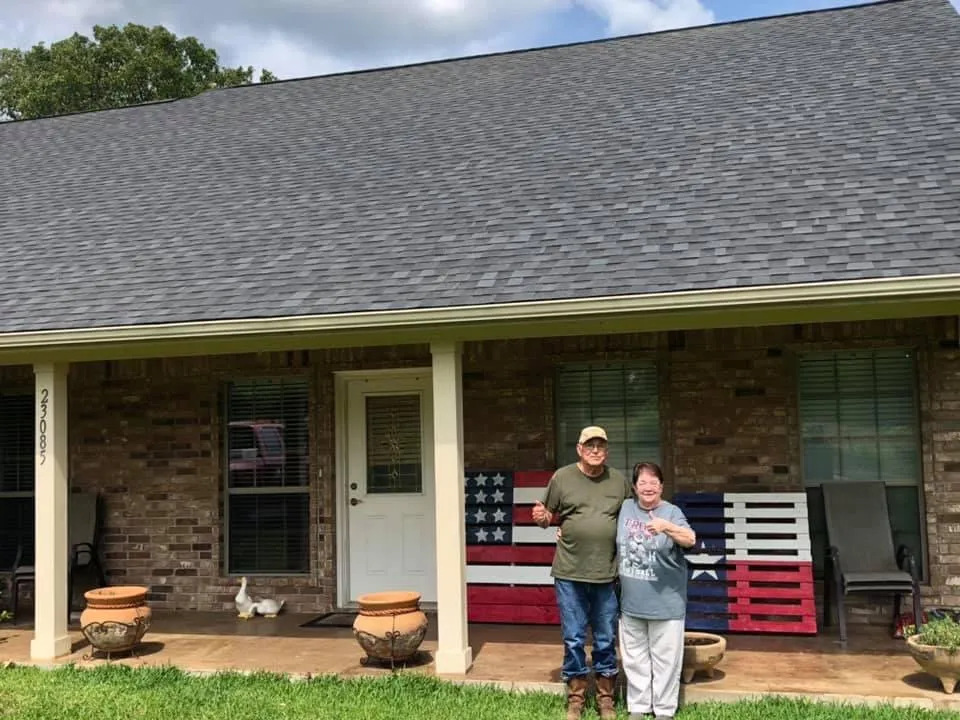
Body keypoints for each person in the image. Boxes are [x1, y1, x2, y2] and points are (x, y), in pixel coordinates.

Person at [532, 426, 632, 720]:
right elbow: (546, 516)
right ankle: (576, 698)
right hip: (570, 572)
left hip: (606, 574)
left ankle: (606, 699)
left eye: (601, 445)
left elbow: (633, 515)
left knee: (604, 638)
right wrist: (543, 519)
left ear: (607, 450)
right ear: (579, 449)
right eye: (590, 445)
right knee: (573, 637)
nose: (595, 450)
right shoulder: (562, 477)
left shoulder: (618, 481)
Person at [616, 461, 697, 720]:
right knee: (635, 659)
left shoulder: (671, 512)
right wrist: (565, 530)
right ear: (634, 487)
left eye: (654, 482)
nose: (648, 487)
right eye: (643, 482)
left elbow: (691, 539)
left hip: (666, 604)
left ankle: (664, 711)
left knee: (666, 662)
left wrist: (666, 527)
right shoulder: (625, 508)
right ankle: (639, 708)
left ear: (661, 486)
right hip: (631, 602)